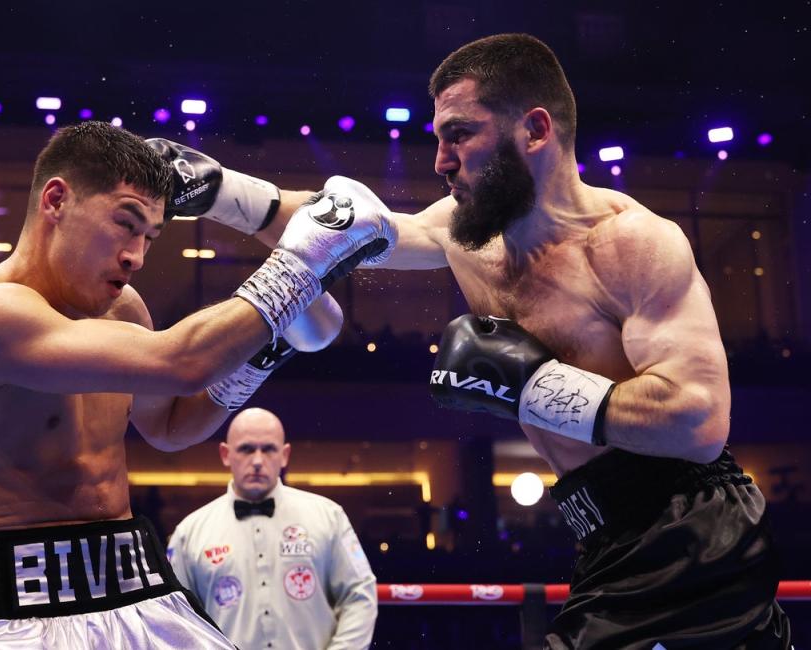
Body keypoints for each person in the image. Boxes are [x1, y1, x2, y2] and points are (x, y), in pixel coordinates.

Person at [163, 34, 791, 649]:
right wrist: (219, 192)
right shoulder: (468, 236)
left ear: (536, 130)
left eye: (459, 134)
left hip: (693, 530)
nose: (440, 160)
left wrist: (533, 385)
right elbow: (348, 227)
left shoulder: (632, 245)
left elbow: (700, 422)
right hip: (602, 534)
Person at [0, 121, 394, 649]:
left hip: (140, 583)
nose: (137, 256)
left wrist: (265, 353)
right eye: (125, 224)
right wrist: (306, 258)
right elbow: (182, 362)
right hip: (21, 606)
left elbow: (170, 425)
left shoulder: (123, 309)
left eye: (150, 236)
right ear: (56, 200)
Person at [167, 408, 377, 650]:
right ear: (226, 454)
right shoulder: (190, 533)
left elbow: (359, 595)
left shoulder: (328, 516)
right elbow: (176, 619)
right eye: (246, 449)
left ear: (284, 455)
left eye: (268, 449)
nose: (257, 461)